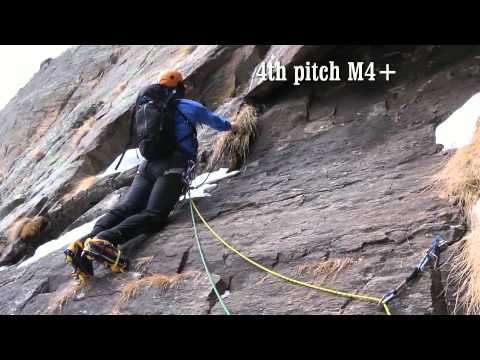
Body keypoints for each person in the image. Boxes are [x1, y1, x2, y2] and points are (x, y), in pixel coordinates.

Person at [65, 69, 238, 281]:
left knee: (128, 207)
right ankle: (104, 240)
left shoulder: (146, 107)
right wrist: (234, 126)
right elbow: (216, 122)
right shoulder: (186, 106)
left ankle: (83, 243)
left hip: (147, 166)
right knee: (155, 215)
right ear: (179, 87)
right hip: (173, 165)